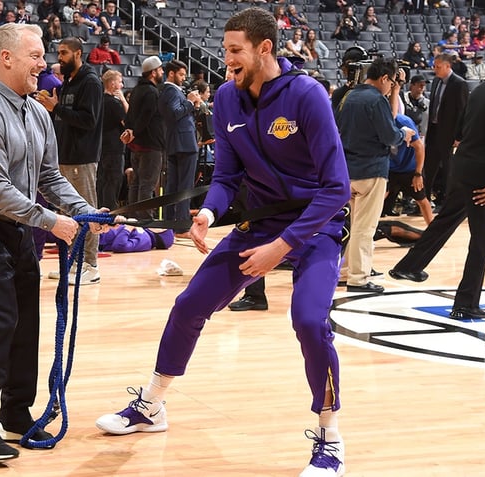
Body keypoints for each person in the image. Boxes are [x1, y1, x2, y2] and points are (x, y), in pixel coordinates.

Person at [95, 8, 351, 477]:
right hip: (258, 224)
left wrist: (283, 246)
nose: (226, 58)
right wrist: (210, 212)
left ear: (264, 48)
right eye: (226, 48)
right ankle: (151, 406)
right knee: (189, 304)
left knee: (310, 321)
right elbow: (228, 175)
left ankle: (330, 438)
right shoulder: (228, 100)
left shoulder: (308, 96)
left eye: (235, 50)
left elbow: (336, 188)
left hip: (315, 226)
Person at [0, 21, 107, 462]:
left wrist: (84, 212)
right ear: (6, 58)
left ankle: (15, 413)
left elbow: (50, 177)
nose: (44, 63)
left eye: (43, 54)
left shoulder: (37, 112)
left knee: (26, 322)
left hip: (17, 225)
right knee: (0, 322)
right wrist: (54, 222)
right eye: (35, 55)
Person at [388, 46, 485, 319]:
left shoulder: (483, 86)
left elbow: (466, 125)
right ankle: (465, 303)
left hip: (462, 163)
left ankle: (409, 265)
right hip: (483, 172)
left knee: (445, 220)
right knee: (481, 238)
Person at [337, 57, 414, 294]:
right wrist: (404, 134)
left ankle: (345, 272)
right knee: (365, 227)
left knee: (352, 226)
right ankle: (358, 279)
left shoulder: (347, 97)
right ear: (383, 78)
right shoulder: (376, 100)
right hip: (371, 170)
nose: (392, 86)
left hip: (346, 171)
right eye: (391, 82)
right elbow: (389, 136)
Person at [37, 37, 104, 286]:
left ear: (78, 53)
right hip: (65, 155)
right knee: (69, 213)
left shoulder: (90, 82)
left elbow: (89, 120)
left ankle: (91, 265)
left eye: (64, 53)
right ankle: (75, 263)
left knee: (86, 210)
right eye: (58, 53)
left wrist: (56, 108)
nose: (59, 57)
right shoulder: (69, 81)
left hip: (82, 157)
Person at [159, 59, 200, 237]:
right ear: (171, 74)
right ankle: (182, 226)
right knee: (184, 185)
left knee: (174, 185)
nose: (184, 78)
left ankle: (170, 223)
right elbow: (174, 114)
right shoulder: (171, 91)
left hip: (177, 142)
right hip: (184, 143)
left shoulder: (169, 91)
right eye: (181, 74)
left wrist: (192, 106)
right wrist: (190, 102)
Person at [120, 56, 164, 220]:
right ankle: (146, 220)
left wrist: (129, 132)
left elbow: (130, 115)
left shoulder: (137, 90)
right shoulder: (152, 92)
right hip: (150, 146)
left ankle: (133, 218)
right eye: (160, 70)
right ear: (153, 73)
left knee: (136, 184)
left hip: (136, 146)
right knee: (147, 184)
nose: (162, 72)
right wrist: (135, 132)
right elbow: (146, 117)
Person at [425, 53, 468, 205]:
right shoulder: (436, 81)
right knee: (428, 168)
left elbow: (463, 112)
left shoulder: (459, 83)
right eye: (434, 66)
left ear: (448, 66)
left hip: (449, 133)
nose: (435, 69)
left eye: (438, 67)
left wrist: (459, 136)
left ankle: (448, 203)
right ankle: (424, 200)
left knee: (448, 169)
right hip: (434, 130)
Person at [98, 69, 127, 210]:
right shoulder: (114, 104)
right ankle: (111, 216)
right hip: (114, 148)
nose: (122, 85)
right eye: (120, 82)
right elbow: (128, 121)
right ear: (112, 84)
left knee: (103, 182)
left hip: (100, 147)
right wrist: (123, 99)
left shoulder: (99, 101)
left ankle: (102, 213)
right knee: (113, 182)